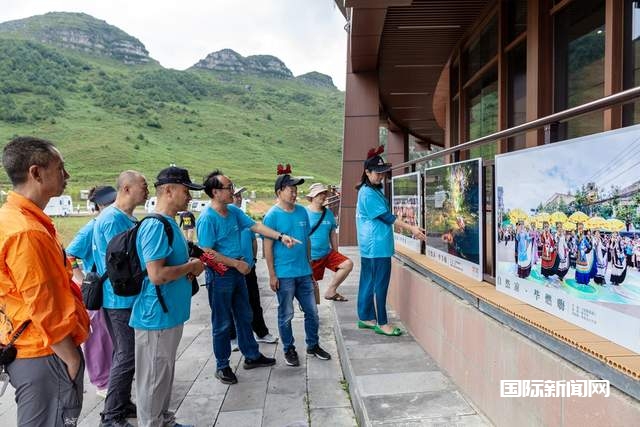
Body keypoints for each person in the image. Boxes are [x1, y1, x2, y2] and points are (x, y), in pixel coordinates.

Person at [0, 136, 90, 426]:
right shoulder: (27, 232)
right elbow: (43, 305)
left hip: (26, 344)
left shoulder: (11, 218)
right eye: (60, 168)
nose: (67, 176)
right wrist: (72, 358)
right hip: (45, 351)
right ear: (36, 173)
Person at [197, 170, 286, 384]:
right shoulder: (208, 219)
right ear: (216, 192)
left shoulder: (233, 212)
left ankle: (252, 355)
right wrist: (236, 263)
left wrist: (280, 236)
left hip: (238, 272)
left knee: (244, 314)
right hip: (221, 275)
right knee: (222, 322)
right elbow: (207, 252)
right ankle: (222, 366)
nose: (232, 190)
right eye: (229, 187)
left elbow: (255, 226)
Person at [132, 167, 205, 427]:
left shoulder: (171, 222)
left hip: (168, 314)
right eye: (186, 191)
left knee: (162, 376)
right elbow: (157, 274)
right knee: (152, 381)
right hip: (155, 317)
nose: (189, 197)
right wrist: (191, 267)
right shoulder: (155, 225)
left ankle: (164, 420)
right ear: (169, 190)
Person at [93, 170, 149, 427]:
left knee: (125, 355)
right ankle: (111, 416)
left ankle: (122, 403)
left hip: (125, 297)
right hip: (119, 300)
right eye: (143, 186)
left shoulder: (126, 218)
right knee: (126, 356)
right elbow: (123, 262)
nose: (147, 190)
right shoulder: (112, 220)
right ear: (126, 189)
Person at [263, 169, 333, 367]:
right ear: (279, 192)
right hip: (284, 275)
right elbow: (267, 248)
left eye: (295, 189)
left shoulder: (302, 211)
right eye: (290, 189)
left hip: (304, 273)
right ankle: (289, 349)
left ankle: (313, 345)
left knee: (312, 312)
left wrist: (310, 267)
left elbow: (306, 240)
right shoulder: (272, 216)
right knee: (286, 315)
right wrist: (272, 275)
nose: (294, 193)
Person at [355, 147, 425, 336]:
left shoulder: (369, 190)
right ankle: (382, 322)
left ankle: (365, 317)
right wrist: (412, 228)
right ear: (367, 172)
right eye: (376, 173)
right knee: (380, 284)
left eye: (382, 173)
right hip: (376, 246)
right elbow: (387, 217)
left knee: (368, 281)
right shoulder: (368, 193)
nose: (380, 176)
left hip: (371, 245)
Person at [67, 185, 117, 398]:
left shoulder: (111, 222)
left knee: (110, 337)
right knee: (97, 340)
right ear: (102, 205)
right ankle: (101, 382)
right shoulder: (92, 227)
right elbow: (70, 254)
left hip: (110, 291)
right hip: (96, 291)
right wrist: (82, 280)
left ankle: (111, 375)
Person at [227, 187, 278, 350]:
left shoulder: (245, 219)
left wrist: (254, 259)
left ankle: (261, 332)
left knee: (254, 301)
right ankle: (233, 337)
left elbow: (254, 241)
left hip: (249, 268)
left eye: (240, 196)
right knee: (231, 305)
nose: (239, 198)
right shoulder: (224, 218)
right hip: (231, 268)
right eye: (235, 196)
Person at [305, 182, 353, 301]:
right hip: (311, 257)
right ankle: (313, 314)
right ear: (312, 197)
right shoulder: (304, 213)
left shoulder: (328, 214)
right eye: (319, 194)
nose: (322, 196)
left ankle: (331, 291)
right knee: (312, 290)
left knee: (347, 264)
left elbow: (332, 234)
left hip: (327, 253)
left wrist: (336, 252)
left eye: (324, 193)